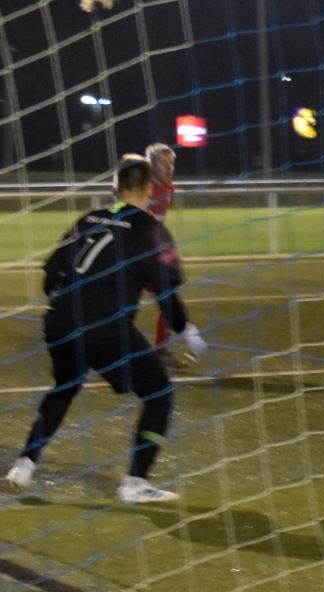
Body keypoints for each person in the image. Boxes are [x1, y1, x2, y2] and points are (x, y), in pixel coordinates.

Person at [5, 156, 207, 503]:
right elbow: (164, 290)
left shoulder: (88, 219)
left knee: (65, 387)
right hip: (104, 327)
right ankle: (135, 483)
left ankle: (24, 465)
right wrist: (188, 332)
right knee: (158, 393)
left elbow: (50, 278)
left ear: (115, 187)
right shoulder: (150, 229)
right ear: (149, 188)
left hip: (59, 321)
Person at [145, 143, 180, 359]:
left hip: (153, 253)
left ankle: (161, 349)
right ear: (152, 164)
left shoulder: (168, 187)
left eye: (171, 162)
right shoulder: (141, 187)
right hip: (132, 253)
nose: (169, 167)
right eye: (164, 162)